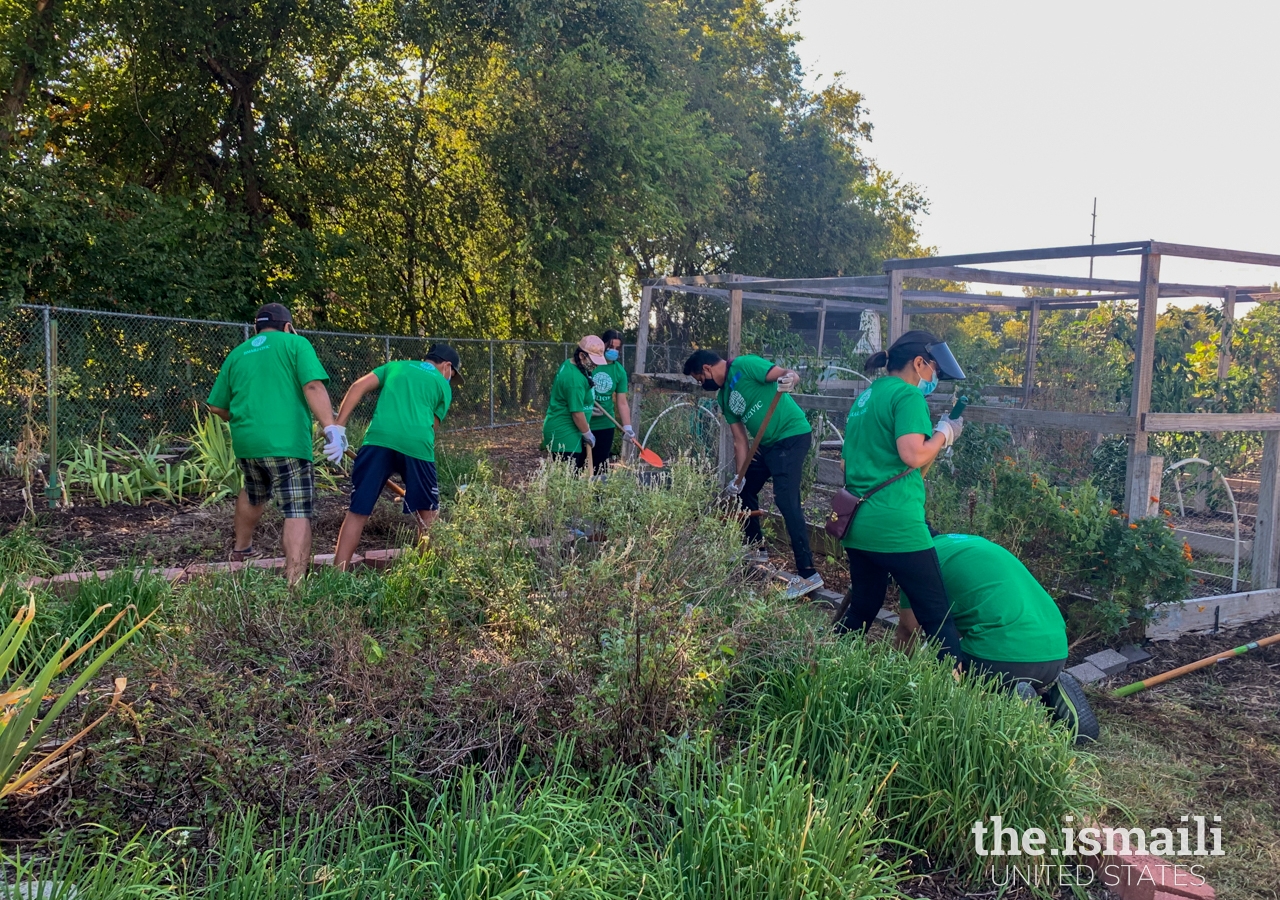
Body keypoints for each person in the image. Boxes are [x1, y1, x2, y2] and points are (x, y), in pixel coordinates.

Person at [834, 329, 967, 664]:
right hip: (897, 525)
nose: (934, 377)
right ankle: (960, 698)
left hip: (858, 525)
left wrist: (930, 445)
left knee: (864, 606)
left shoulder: (866, 398)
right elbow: (912, 455)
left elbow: (849, 463)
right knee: (938, 616)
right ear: (919, 362)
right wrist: (943, 434)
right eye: (933, 369)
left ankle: (830, 665)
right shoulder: (908, 398)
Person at [895, 533, 1098, 742]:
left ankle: (1009, 701)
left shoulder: (916, 559)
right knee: (996, 651)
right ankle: (1049, 699)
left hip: (1001, 661)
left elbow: (909, 629)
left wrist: (900, 676)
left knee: (939, 663)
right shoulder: (971, 544)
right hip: (1055, 654)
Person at [207, 303, 345, 584]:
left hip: (249, 443)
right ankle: (295, 582)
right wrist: (330, 427)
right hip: (287, 443)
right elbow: (313, 386)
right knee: (297, 509)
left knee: (254, 491)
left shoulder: (237, 354)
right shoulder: (295, 343)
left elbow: (216, 406)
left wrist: (246, 418)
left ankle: (241, 550)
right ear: (286, 326)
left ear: (257, 327)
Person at [683, 349, 822, 600]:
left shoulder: (745, 366)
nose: (702, 384)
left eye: (700, 379)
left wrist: (791, 380)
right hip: (766, 446)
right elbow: (739, 441)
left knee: (786, 501)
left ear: (706, 369)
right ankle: (756, 549)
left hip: (790, 436)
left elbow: (787, 374)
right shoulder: (724, 397)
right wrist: (740, 477)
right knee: (744, 490)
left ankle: (808, 575)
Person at [330, 343, 460, 570]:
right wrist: (415, 479)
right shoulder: (443, 385)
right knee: (428, 514)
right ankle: (425, 573)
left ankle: (336, 573)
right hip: (417, 445)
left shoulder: (394, 367)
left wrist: (338, 428)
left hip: (377, 441)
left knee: (357, 511)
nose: (451, 380)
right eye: (453, 375)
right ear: (447, 366)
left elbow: (357, 387)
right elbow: (432, 427)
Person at [542, 336, 607, 469]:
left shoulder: (571, 365)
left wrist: (588, 409)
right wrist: (588, 433)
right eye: (593, 361)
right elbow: (577, 413)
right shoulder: (574, 379)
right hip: (565, 434)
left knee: (570, 477)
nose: (595, 365)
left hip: (569, 430)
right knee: (567, 479)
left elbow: (572, 400)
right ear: (582, 355)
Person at [586, 329, 634, 474]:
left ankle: (598, 495)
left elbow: (622, 402)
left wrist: (628, 426)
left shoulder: (619, 371)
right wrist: (585, 408)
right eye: (610, 347)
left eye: (617, 348)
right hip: (583, 421)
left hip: (605, 423)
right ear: (603, 345)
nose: (613, 351)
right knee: (577, 463)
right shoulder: (590, 364)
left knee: (600, 467)